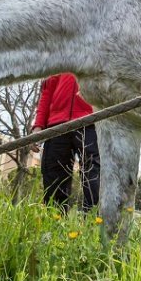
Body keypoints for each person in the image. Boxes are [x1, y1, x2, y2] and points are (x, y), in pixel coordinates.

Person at [32, 73, 100, 213]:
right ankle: (54, 224)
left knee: (94, 176)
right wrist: (38, 125)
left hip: (91, 122)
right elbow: (47, 92)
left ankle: (94, 224)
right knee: (53, 179)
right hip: (57, 125)